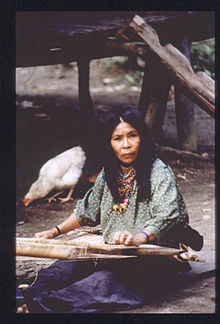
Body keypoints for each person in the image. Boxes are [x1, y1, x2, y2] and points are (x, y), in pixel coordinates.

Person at [17, 107, 202, 313]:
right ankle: (24, 300)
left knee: (102, 283)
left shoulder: (158, 172)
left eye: (133, 136)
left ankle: (41, 307)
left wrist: (139, 237)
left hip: (154, 260)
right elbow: (87, 210)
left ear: (143, 137)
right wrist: (55, 231)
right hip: (113, 255)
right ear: (109, 143)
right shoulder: (108, 174)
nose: (126, 145)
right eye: (117, 138)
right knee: (60, 270)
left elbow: (168, 216)